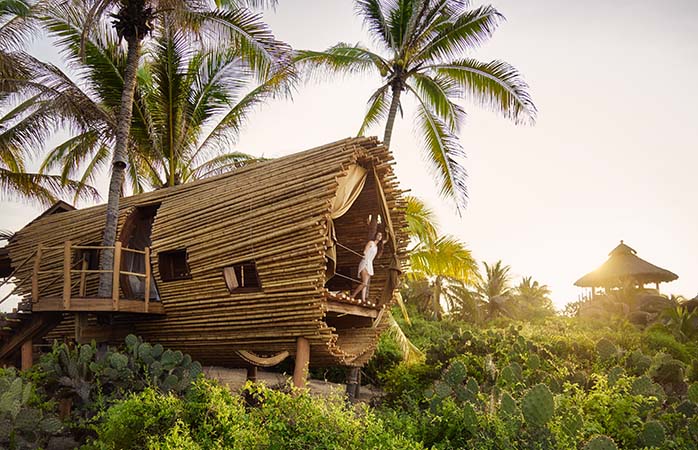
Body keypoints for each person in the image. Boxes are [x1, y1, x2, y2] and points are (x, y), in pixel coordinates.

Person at [351, 231, 384, 302]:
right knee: (364, 283)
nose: (379, 236)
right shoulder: (371, 243)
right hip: (365, 262)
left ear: (381, 238)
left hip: (370, 264)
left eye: (380, 236)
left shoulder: (377, 247)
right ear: (376, 235)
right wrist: (364, 254)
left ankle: (363, 299)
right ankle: (353, 295)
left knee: (365, 284)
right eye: (378, 235)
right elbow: (365, 250)